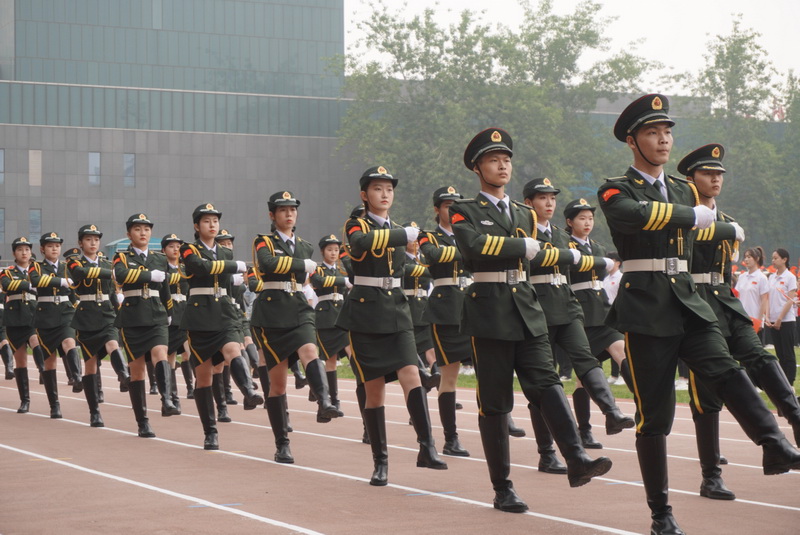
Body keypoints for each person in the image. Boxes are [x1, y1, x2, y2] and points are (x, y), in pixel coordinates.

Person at [596, 94, 800, 535]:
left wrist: (714, 222)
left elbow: (707, 225)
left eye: (667, 132)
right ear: (632, 141)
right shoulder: (616, 188)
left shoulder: (684, 188)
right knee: (655, 417)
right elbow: (635, 216)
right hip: (646, 307)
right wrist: (696, 217)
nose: (663, 140)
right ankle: (661, 513)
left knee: (726, 369)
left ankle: (774, 443)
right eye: (652, 132)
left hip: (689, 301)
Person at [450, 129, 611, 513]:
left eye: (506, 159)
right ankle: (502, 487)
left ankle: (576, 458)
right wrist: (520, 245)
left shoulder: (525, 213)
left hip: (526, 307)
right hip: (489, 312)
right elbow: (474, 246)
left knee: (547, 382)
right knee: (495, 403)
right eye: (493, 160)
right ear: (477, 168)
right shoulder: (464, 210)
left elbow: (541, 255)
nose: (502, 165)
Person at [676, 144, 800, 503]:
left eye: (719, 174)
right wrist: (722, 228)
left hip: (725, 303)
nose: (715, 179)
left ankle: (793, 420)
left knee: (760, 357)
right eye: (707, 173)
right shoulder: (684, 217)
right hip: (695, 305)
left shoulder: (727, 219)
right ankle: (711, 476)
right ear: (691, 179)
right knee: (705, 397)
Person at [336, 166, 448, 486]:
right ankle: (380, 461)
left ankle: (427, 447)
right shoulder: (356, 224)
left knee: (411, 373)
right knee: (374, 391)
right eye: (377, 189)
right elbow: (362, 244)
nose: (385, 194)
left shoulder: (399, 230)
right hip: (366, 313)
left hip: (397, 310)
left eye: (389, 189)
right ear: (364, 195)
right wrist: (404, 236)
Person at [521, 179, 633, 471]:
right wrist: (582, 260)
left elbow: (575, 264)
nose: (549, 203)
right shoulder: (522, 233)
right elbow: (536, 262)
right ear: (528, 203)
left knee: (586, 358)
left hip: (567, 305)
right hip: (538, 310)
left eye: (552, 198)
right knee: (544, 383)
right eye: (542, 198)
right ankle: (547, 453)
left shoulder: (559, 234)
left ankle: (611, 411)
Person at [250, 191, 340, 463]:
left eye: (293, 210)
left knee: (310, 350)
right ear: (272, 215)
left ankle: (325, 401)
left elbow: (302, 278)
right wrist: (301, 264)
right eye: (283, 210)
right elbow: (268, 264)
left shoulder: (305, 245)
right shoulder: (264, 241)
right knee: (277, 386)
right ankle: (282, 444)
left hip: (299, 307)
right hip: (272, 312)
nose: (289, 214)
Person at [179, 204, 264, 450]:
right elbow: (201, 267)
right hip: (200, 316)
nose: (212, 225)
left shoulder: (226, 252)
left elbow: (226, 286)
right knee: (204, 376)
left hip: (224, 313)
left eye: (215, 221)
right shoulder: (188, 249)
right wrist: (233, 266)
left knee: (233, 350)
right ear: (197, 226)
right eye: (206, 221)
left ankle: (248, 391)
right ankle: (210, 431)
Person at [563, 198, 635, 446]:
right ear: (570, 222)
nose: (587, 223)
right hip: (580, 314)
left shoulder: (597, 246)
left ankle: (643, 404)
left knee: (622, 351)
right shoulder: (565, 245)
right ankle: (585, 430)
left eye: (590, 218)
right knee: (582, 377)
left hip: (601, 311)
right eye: (582, 218)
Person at [418, 186, 473, 456]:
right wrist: (471, 249)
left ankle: (501, 420)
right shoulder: (428, 236)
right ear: (437, 209)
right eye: (447, 205)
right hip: (446, 310)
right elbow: (434, 255)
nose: (452, 210)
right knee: (448, 377)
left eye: (456, 205)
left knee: (490, 373)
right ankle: (451, 438)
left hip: (473, 308)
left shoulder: (470, 232)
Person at [113, 213, 179, 438]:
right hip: (133, 317)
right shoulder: (122, 257)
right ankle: (142, 421)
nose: (143, 233)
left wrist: (169, 312)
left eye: (147, 229)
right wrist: (149, 275)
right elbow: (121, 276)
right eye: (138, 229)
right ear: (128, 234)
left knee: (161, 353)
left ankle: (167, 399)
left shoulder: (159, 258)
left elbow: (165, 288)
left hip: (156, 313)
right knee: (137, 370)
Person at [67, 224, 130, 427]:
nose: (93, 243)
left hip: (107, 313)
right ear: (80, 243)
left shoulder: (106, 262)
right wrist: (109, 273)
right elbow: (80, 274)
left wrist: (119, 314)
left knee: (113, 343)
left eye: (96, 239)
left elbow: (112, 292)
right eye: (88, 239)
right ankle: (94, 412)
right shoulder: (74, 262)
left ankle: (124, 375)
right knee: (91, 364)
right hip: (86, 316)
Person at [26, 232, 81, 419]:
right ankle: (54, 404)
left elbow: (75, 288)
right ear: (42, 249)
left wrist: (75, 305)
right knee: (49, 362)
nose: (54, 249)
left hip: (65, 312)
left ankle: (77, 377)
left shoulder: (67, 266)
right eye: (50, 246)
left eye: (57, 246)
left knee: (69, 342)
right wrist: (61, 281)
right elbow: (36, 281)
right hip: (46, 315)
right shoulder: (36, 266)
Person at [309, 234, 352, 417]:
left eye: (336, 250)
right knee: (331, 360)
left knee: (352, 353)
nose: (333, 253)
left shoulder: (342, 270)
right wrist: (344, 281)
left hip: (342, 316)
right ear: (322, 251)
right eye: (329, 250)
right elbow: (318, 283)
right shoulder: (317, 270)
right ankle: (333, 400)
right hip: (326, 317)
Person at [1, 237, 44, 413]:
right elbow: (7, 285)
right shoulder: (8, 272)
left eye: (27, 249)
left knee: (35, 340)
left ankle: (42, 370)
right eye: (20, 250)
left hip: (33, 314)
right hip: (15, 318)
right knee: (21, 361)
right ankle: (25, 400)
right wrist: (29, 285)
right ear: (14, 254)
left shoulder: (37, 271)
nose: (24, 253)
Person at [162, 233, 190, 410]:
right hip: (170, 315)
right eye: (171, 246)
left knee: (191, 351)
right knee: (170, 356)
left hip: (186, 314)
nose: (175, 249)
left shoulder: (185, 268)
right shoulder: (161, 268)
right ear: (164, 249)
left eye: (178, 246)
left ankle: (195, 387)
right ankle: (172, 396)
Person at [766, 248, 798, 385]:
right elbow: (768, 298)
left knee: (788, 353)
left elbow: (790, 300)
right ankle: (782, 381)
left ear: (784, 259)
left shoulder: (790, 277)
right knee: (779, 354)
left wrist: (779, 319)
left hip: (786, 320)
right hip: (773, 320)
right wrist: (767, 317)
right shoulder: (771, 277)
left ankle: (789, 382)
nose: (773, 260)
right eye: (772, 258)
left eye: (776, 258)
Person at [734, 247, 769, 330]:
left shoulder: (761, 278)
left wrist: (759, 320)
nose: (746, 259)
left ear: (757, 259)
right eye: (745, 257)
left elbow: (764, 300)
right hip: (742, 319)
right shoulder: (742, 277)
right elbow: (738, 297)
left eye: (749, 257)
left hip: (754, 320)